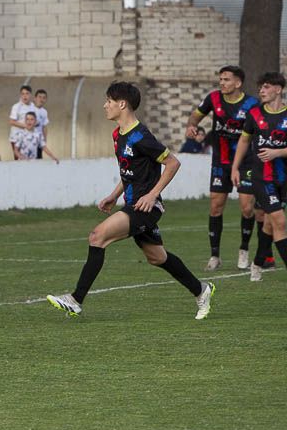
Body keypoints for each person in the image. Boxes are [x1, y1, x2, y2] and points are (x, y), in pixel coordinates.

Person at [47, 81, 214, 319]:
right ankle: (201, 290)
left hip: (146, 208)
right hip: (132, 204)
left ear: (122, 104)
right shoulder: (118, 134)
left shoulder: (141, 136)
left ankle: (75, 299)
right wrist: (114, 196)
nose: (105, 106)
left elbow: (173, 163)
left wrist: (152, 194)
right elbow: (129, 171)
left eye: (109, 101)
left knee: (97, 236)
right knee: (157, 257)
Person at [184, 65, 258, 272]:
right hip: (221, 161)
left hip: (246, 162)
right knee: (216, 207)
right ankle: (215, 255)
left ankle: (244, 250)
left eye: (226, 79)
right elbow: (195, 117)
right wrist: (192, 126)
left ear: (238, 83)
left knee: (246, 207)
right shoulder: (213, 99)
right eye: (221, 79)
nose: (222, 83)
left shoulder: (252, 104)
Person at [231, 72, 287, 282]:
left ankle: (257, 261)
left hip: (283, 178)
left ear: (278, 89)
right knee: (280, 222)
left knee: (270, 225)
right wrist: (235, 168)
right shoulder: (254, 114)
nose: (261, 91)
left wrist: (278, 152)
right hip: (261, 177)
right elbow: (244, 142)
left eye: (266, 87)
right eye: (260, 87)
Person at [8, 86, 38, 160]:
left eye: (27, 94)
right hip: (16, 137)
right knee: (19, 158)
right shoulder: (16, 106)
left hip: (28, 137)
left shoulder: (33, 106)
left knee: (29, 157)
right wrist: (25, 126)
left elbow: (35, 120)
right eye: (23, 94)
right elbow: (11, 121)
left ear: (30, 95)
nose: (25, 96)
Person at [33, 89, 51, 158]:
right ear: (35, 98)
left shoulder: (44, 112)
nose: (41, 99)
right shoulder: (30, 109)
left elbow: (44, 126)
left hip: (39, 141)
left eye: (44, 98)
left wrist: (45, 140)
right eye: (39, 97)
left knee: (39, 159)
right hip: (30, 140)